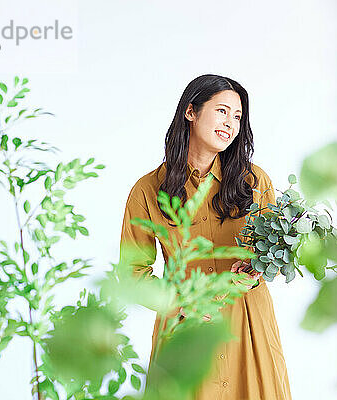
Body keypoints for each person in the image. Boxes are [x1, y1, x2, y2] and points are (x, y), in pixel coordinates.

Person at [120, 74, 292, 399]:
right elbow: (132, 274)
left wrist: (259, 268)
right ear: (191, 112)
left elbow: (276, 251)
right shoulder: (146, 191)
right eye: (222, 111)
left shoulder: (254, 181)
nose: (231, 123)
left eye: (238, 117)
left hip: (249, 328)